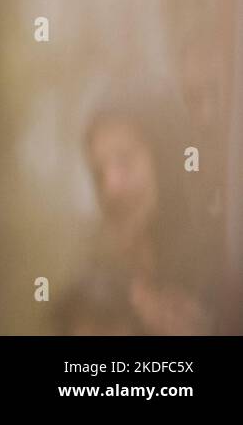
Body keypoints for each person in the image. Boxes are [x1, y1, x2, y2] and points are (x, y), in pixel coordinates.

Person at [78, 90, 215, 335]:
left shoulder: (216, 271)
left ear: (164, 160)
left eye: (125, 161)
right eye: (100, 172)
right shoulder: (99, 288)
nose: (111, 187)